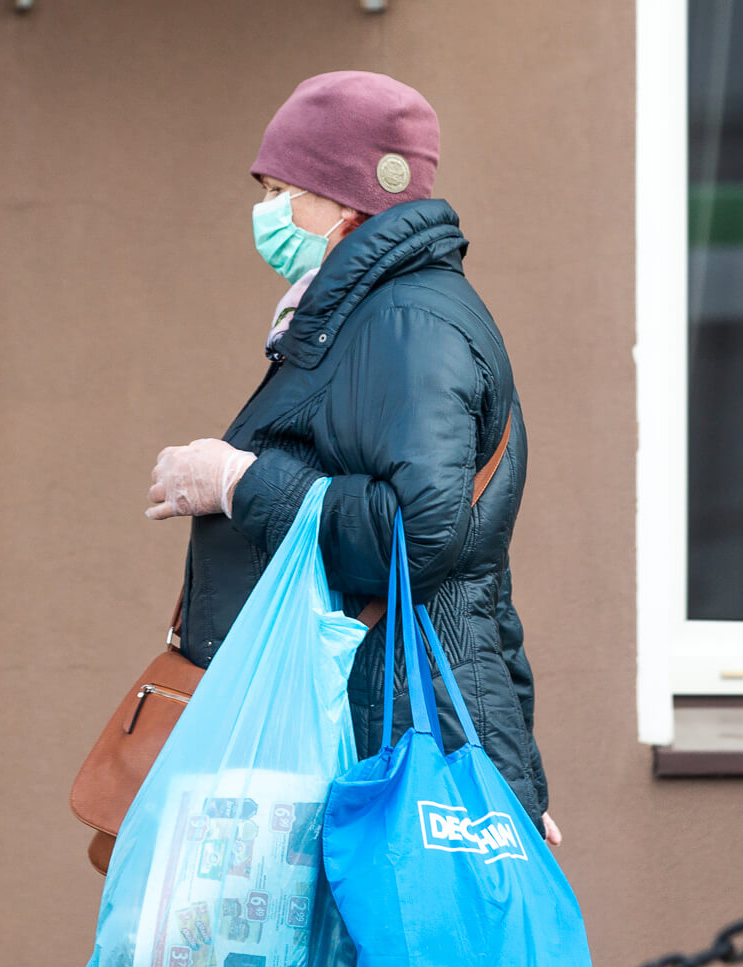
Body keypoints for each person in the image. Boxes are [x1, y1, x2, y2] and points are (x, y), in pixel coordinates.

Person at [144, 70, 560, 845]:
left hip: (389, 741)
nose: (265, 212)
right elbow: (482, 580)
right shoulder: (363, 314)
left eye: (279, 189)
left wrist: (237, 481)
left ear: (346, 199)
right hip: (389, 724)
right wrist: (514, 769)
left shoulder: (405, 322)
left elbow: (420, 535)